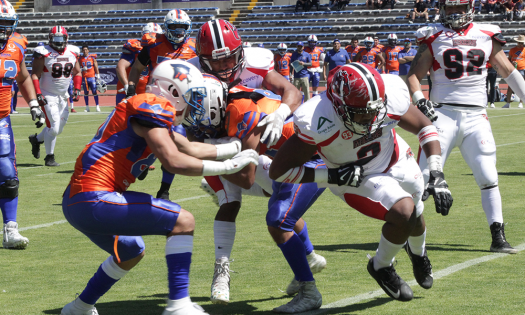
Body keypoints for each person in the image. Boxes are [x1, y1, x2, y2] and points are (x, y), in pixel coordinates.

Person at [60, 60, 259, 315]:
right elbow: (174, 161)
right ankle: (178, 305)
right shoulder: (153, 107)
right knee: (183, 221)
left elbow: (189, 147)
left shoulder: (150, 110)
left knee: (130, 250)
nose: (195, 102)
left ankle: (79, 307)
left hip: (77, 201)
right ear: (174, 91)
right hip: (94, 197)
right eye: (193, 95)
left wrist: (235, 147)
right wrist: (229, 166)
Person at [269, 63, 453, 302]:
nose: (370, 117)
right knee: (405, 212)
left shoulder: (390, 93)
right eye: (362, 113)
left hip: (396, 157)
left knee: (416, 214)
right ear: (338, 105)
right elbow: (280, 171)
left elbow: (424, 126)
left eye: (374, 110)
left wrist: (437, 172)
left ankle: (418, 253)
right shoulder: (317, 118)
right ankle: (381, 266)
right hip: (356, 177)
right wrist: (330, 176)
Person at [187, 19, 306, 305]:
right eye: (217, 61)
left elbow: (293, 92)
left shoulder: (256, 64)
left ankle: (308, 259)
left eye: (230, 57)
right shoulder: (189, 73)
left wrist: (280, 114)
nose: (226, 65)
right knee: (231, 201)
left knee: (275, 196)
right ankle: (221, 273)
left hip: (255, 132)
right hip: (214, 141)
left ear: (240, 51)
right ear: (202, 60)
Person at [186, 75, 327, 313]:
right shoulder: (220, 109)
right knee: (280, 209)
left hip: (312, 159)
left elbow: (246, 177)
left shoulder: (241, 111)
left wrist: (208, 156)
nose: (195, 115)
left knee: (279, 220)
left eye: (199, 107)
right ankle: (307, 260)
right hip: (282, 161)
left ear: (214, 102)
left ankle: (310, 291)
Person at [407, 0, 525, 253]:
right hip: (442, 115)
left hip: (476, 117)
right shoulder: (433, 36)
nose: (453, 13)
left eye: (458, 8)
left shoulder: (486, 34)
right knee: (422, 178)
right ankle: (407, 234)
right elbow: (415, 76)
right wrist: (420, 100)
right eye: (449, 9)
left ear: (469, 8)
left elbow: (507, 70)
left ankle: (498, 236)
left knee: (488, 176)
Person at [1, 0, 45, 249]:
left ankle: (10, 229)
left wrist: (33, 104)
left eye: (6, 24)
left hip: (1, 119)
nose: (2, 30)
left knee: (8, 175)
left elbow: (23, 75)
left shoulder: (17, 44)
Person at [29, 26, 82, 168]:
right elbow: (35, 75)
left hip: (63, 96)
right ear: (50, 39)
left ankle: (37, 139)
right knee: (53, 127)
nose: (58, 42)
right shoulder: (43, 52)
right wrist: (38, 94)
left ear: (66, 39)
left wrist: (77, 88)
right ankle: (49, 157)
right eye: (55, 39)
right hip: (48, 94)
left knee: (59, 128)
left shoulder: (73, 51)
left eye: (61, 39)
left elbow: (77, 72)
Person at [127, 9, 197, 97]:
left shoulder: (195, 47)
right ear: (166, 27)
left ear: (188, 27)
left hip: (185, 95)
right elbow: (136, 68)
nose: (178, 31)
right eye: (174, 27)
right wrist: (131, 90)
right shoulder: (154, 44)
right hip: (157, 94)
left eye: (182, 26)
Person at [115, 23, 163, 106]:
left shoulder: (162, 49)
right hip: (130, 92)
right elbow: (120, 66)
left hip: (149, 92)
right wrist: (127, 86)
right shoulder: (135, 47)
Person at [503, 34, 525, 108]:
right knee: (510, 86)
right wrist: (511, 62)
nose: (520, 44)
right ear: (517, 42)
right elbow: (509, 59)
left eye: (522, 43)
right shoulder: (512, 50)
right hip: (513, 69)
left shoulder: (524, 50)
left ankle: (520, 103)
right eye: (519, 42)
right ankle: (508, 103)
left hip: (522, 69)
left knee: (522, 86)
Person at [78, 46, 101, 112]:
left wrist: (98, 76)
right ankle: (87, 107)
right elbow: (77, 68)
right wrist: (82, 69)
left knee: (94, 91)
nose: (85, 51)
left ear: (88, 50)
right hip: (85, 78)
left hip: (92, 77)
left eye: (86, 50)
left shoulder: (92, 57)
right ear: (82, 51)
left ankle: (97, 106)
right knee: (86, 92)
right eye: (83, 50)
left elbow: (96, 67)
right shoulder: (80, 59)